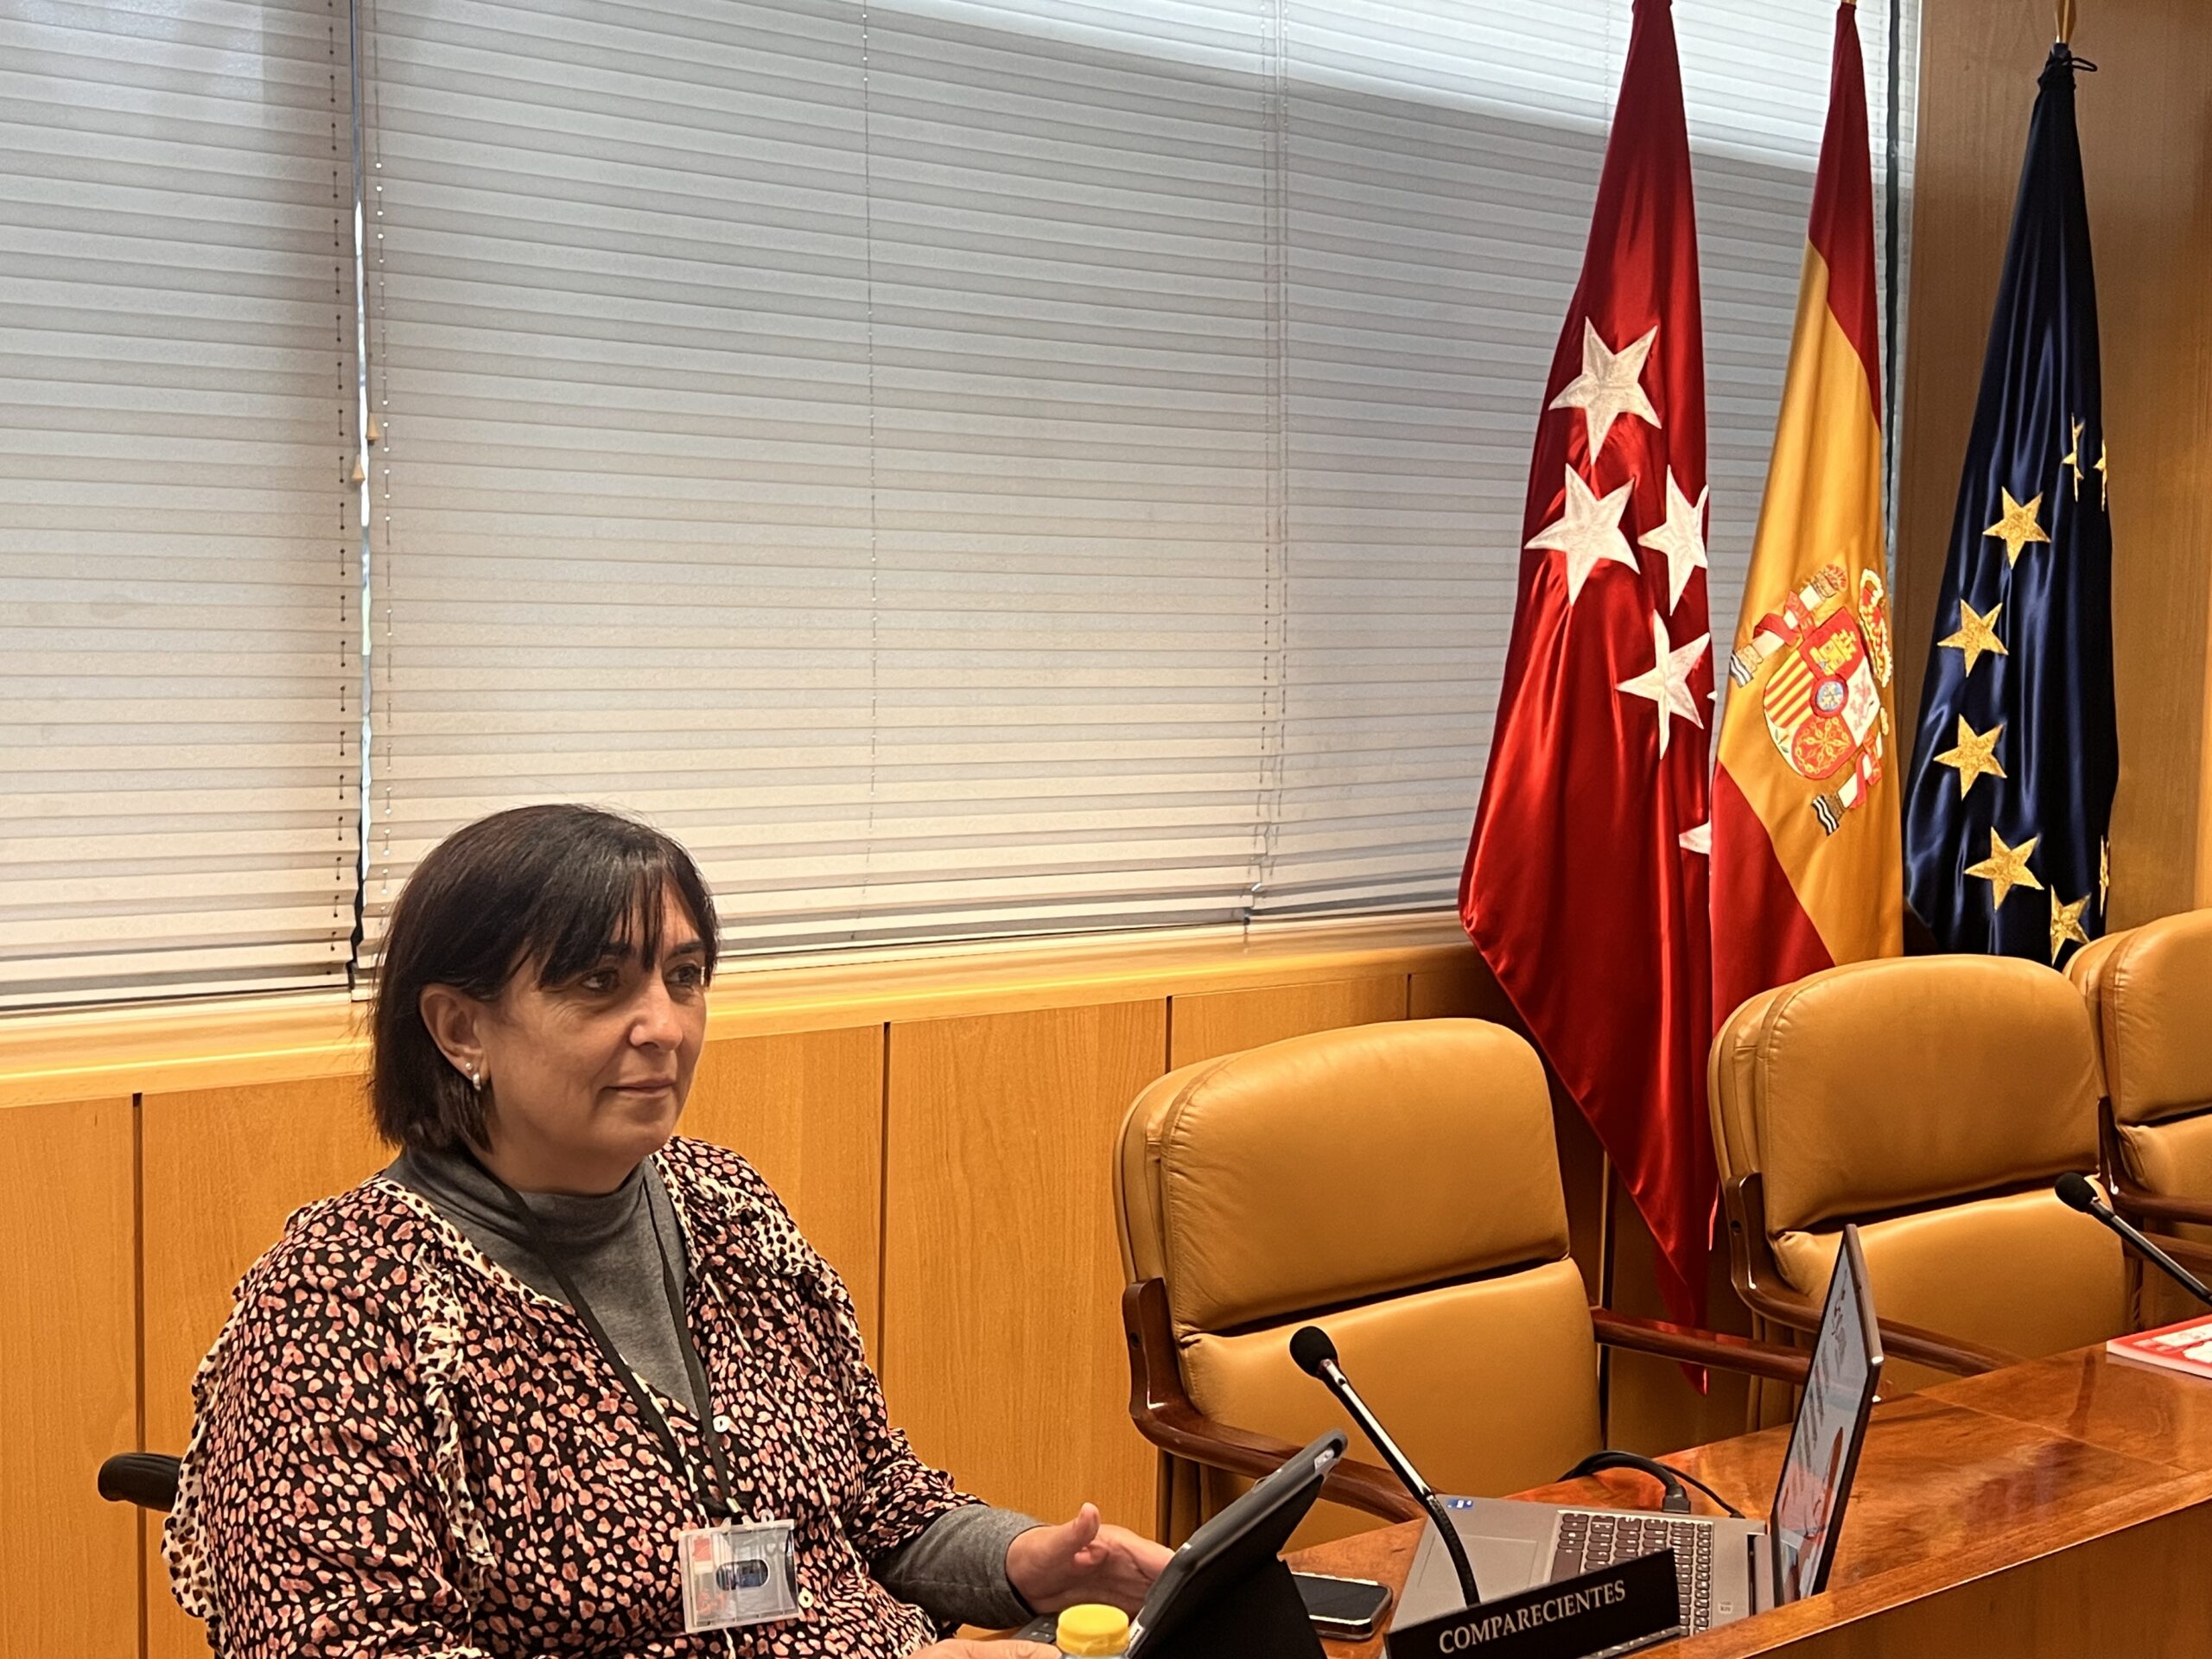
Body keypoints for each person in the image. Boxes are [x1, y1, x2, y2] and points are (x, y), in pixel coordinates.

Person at [164, 804, 1169, 1657]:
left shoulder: (727, 1207)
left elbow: (876, 1502)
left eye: (683, 977)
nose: (666, 1027)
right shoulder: (339, 1303)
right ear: (462, 1029)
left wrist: (1024, 1562)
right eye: (600, 984)